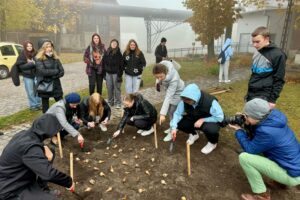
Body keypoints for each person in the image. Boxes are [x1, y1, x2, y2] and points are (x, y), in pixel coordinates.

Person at [229, 98, 300, 200]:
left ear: (256, 116)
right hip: (295, 166)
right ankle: (280, 183)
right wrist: (248, 121)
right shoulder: (272, 118)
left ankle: (262, 195)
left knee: (245, 158)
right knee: (274, 152)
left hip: (293, 175)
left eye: (247, 115)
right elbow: (256, 135)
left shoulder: (266, 131)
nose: (245, 117)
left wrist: (239, 131)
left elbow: (250, 149)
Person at [0, 114, 74, 200]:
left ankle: (42, 188)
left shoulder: (25, 134)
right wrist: (69, 182)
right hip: (11, 188)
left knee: (50, 153)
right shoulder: (31, 148)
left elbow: (34, 152)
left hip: (19, 177)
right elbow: (49, 174)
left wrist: (46, 148)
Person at [170, 84, 224, 154]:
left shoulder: (210, 101)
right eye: (185, 101)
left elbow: (220, 117)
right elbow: (177, 114)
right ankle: (194, 134)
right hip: (194, 117)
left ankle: (212, 143)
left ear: (195, 98)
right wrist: (174, 128)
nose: (187, 103)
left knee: (211, 130)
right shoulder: (185, 100)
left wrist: (203, 120)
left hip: (209, 119)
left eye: (188, 101)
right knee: (179, 124)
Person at [245, 26, 287, 109]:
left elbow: (279, 79)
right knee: (249, 119)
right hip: (252, 92)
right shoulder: (258, 51)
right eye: (253, 42)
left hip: (264, 95)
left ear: (266, 39)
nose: (254, 45)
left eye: (257, 42)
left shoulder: (278, 55)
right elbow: (255, 75)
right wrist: (248, 94)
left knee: (259, 120)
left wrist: (272, 100)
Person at [152, 60, 185, 142]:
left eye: (161, 77)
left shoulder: (174, 79)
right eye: (157, 77)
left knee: (172, 112)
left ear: (165, 72)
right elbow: (158, 77)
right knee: (170, 109)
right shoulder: (162, 66)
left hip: (178, 92)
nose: (159, 79)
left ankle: (173, 129)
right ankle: (172, 126)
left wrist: (162, 114)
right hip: (171, 92)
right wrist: (158, 82)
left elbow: (168, 96)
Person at [35, 39, 64, 113]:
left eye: (50, 46)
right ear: (43, 48)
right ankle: (46, 121)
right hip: (45, 84)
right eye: (47, 47)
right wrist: (55, 71)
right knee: (45, 107)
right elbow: (42, 71)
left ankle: (64, 118)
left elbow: (62, 71)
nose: (49, 48)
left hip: (56, 84)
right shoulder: (39, 58)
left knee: (61, 104)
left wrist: (53, 75)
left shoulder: (56, 58)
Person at [16, 40, 41, 111]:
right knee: (30, 91)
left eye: (31, 46)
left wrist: (34, 62)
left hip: (36, 74)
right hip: (27, 76)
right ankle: (33, 105)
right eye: (28, 46)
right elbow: (21, 67)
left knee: (38, 90)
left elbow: (40, 63)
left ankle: (38, 104)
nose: (29, 47)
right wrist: (30, 64)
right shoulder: (22, 55)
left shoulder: (36, 53)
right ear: (25, 47)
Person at [103, 39, 123, 108]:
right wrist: (104, 74)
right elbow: (103, 62)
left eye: (115, 43)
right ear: (110, 44)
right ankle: (110, 102)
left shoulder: (119, 53)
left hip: (116, 74)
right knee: (109, 88)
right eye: (112, 43)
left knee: (117, 88)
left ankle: (118, 102)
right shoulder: (107, 52)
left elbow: (121, 65)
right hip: (108, 73)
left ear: (117, 45)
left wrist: (120, 75)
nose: (114, 44)